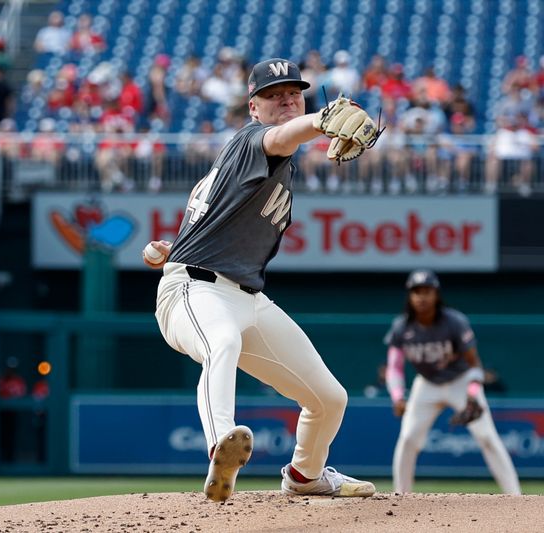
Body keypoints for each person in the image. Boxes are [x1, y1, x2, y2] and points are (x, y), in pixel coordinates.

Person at [142, 58, 379, 502]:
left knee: (330, 398)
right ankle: (220, 448)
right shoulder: (253, 140)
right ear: (254, 108)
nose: (286, 99)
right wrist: (318, 120)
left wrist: (167, 246)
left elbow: (212, 221)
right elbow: (281, 136)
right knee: (222, 343)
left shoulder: (265, 165)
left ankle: (305, 476)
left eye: (294, 92)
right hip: (196, 291)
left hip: (245, 295)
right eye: (273, 95)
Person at [384, 269, 521, 495]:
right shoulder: (402, 327)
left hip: (462, 381)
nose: (422, 297)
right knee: (408, 438)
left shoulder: (454, 322)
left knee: (487, 436)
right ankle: (401, 496)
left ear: (436, 294)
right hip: (426, 384)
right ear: (410, 296)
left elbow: (475, 365)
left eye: (427, 291)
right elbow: (394, 367)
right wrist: (398, 396)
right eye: (416, 291)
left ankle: (516, 497)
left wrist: (473, 393)